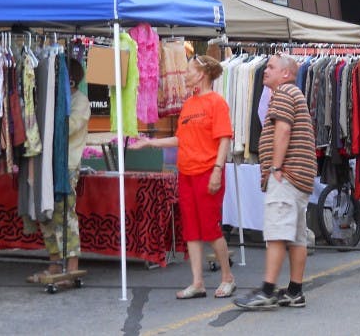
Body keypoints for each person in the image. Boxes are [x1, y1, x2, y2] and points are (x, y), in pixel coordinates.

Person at [132, 54, 236, 300]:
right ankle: (197, 282)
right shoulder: (188, 104)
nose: (185, 74)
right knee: (191, 230)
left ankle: (227, 277)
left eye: (189, 70)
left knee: (210, 228)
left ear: (201, 74)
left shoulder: (217, 102)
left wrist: (217, 170)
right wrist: (150, 143)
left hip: (207, 172)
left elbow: (224, 138)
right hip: (186, 173)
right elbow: (180, 139)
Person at [235, 55, 317, 310]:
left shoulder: (283, 93)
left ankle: (267, 291)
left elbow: (283, 130)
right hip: (300, 177)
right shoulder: (294, 93)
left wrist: (276, 167)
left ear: (286, 74)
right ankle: (294, 291)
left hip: (287, 176)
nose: (265, 71)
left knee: (277, 233)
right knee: (296, 236)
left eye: (271, 67)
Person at [26, 59, 90, 284]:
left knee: (65, 214)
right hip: (47, 164)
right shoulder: (54, 100)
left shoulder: (80, 101)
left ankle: (71, 266)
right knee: (46, 212)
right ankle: (54, 263)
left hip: (67, 166)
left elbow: (69, 127)